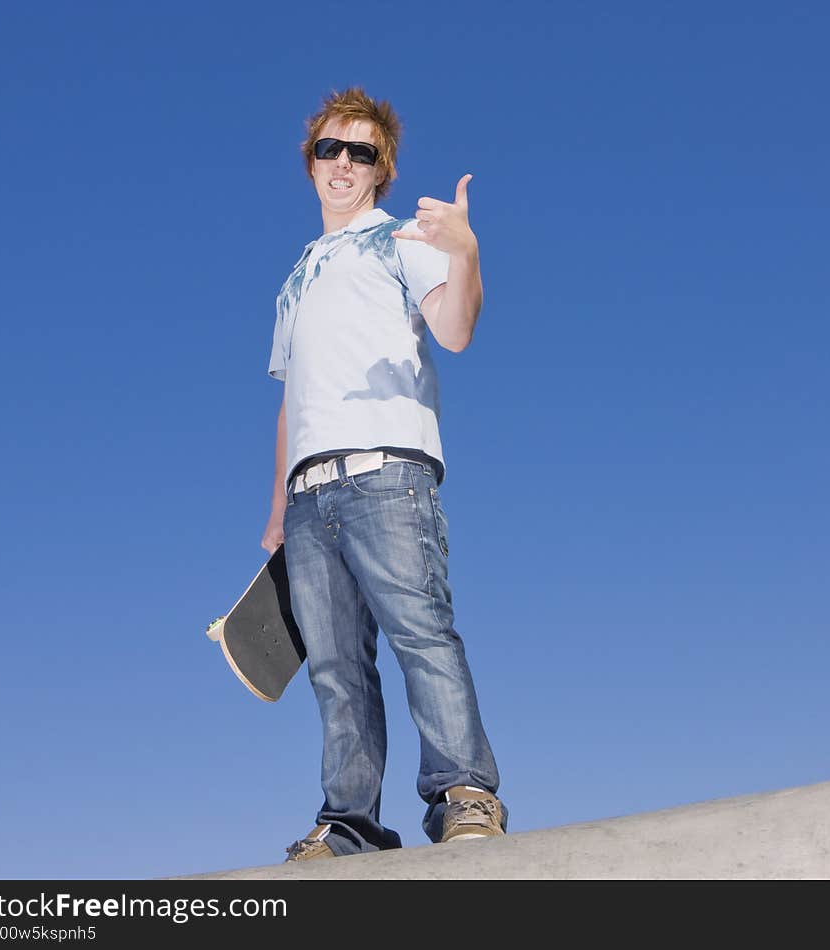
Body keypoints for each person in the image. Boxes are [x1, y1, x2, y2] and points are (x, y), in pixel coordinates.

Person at [261, 87, 507, 861]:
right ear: (311, 164)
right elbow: (290, 397)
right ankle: (350, 823)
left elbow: (456, 331)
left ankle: (464, 793)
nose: (342, 163)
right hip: (308, 496)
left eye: (360, 152)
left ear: (380, 169)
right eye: (330, 149)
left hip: (388, 476)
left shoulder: (400, 240)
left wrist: (465, 252)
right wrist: (276, 512)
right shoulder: (298, 274)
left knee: (421, 636)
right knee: (335, 670)